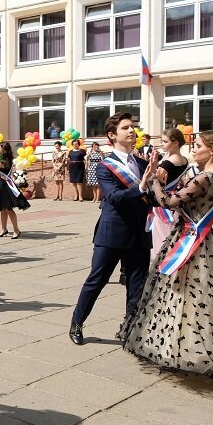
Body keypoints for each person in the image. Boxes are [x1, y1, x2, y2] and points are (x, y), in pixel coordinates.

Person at [120, 130, 213, 394]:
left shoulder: (207, 177)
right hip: (191, 240)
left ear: (212, 150)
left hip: (195, 246)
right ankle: (182, 351)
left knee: (201, 304)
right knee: (188, 300)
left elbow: (168, 201)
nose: (193, 150)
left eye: (197, 146)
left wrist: (153, 179)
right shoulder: (210, 175)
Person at [69, 112, 157, 346]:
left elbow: (154, 198)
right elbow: (115, 198)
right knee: (96, 280)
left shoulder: (142, 163)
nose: (132, 131)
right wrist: (141, 185)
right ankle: (77, 322)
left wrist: (165, 188)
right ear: (112, 135)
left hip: (139, 233)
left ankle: (130, 330)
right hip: (112, 233)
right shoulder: (105, 166)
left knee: (137, 285)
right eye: (126, 128)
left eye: (133, 127)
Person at [148, 128, 190, 262]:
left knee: (161, 236)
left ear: (175, 143)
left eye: (165, 141)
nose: (162, 144)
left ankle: (161, 265)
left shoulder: (167, 163)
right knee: (174, 234)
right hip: (176, 200)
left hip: (163, 203)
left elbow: (157, 183)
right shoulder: (184, 160)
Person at [0, 142, 30, 238]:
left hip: (4, 185)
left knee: (8, 209)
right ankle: (3, 229)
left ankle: (16, 230)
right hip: (4, 184)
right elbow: (0, 172)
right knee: (3, 208)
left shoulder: (1, 162)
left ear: (3, 150)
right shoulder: (8, 160)